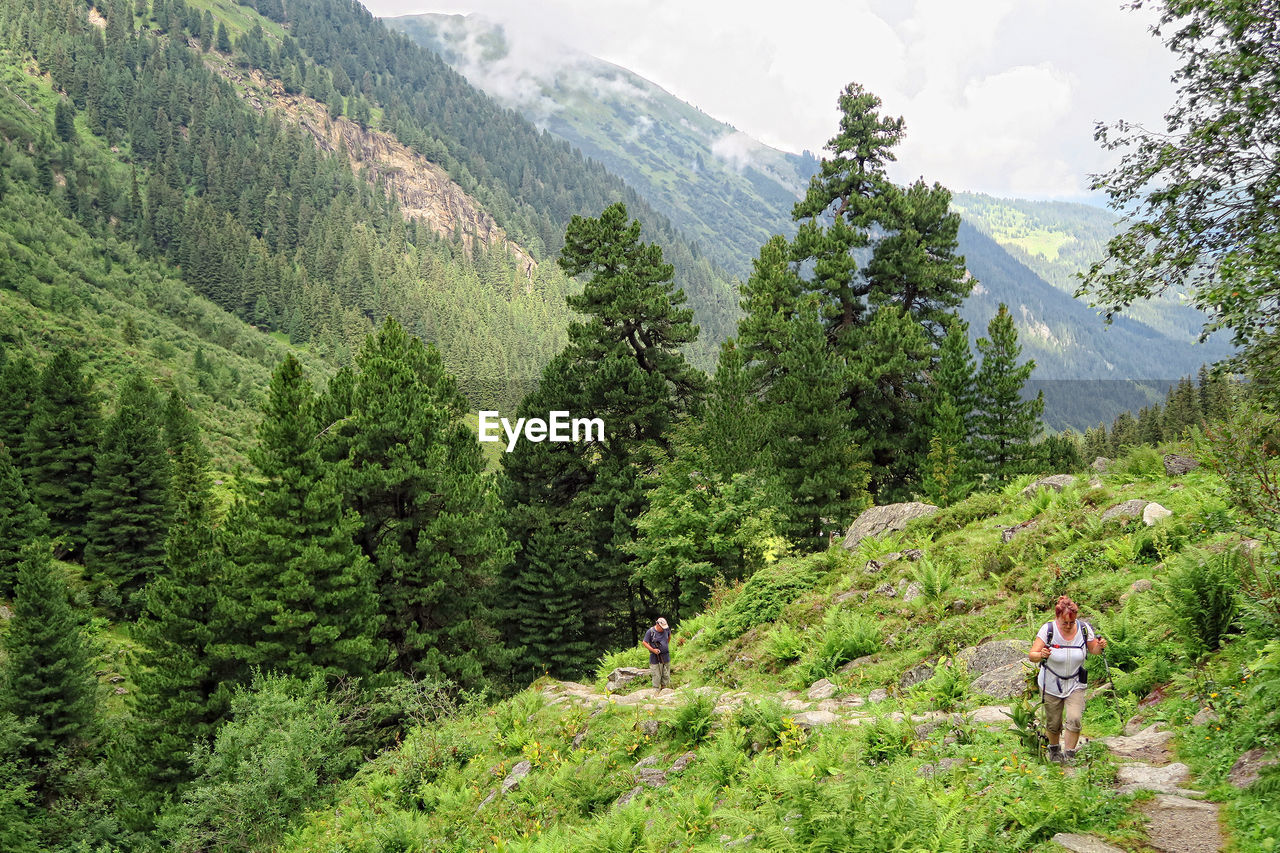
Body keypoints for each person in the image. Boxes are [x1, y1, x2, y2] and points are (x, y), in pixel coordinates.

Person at [1028, 595, 1107, 763]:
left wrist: (1100, 647)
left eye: (1072, 622)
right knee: (1053, 722)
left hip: (1075, 682)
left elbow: (1094, 650)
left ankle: (1070, 754)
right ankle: (1055, 751)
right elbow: (1032, 655)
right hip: (1050, 682)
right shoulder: (1048, 630)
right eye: (1065, 623)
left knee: (1074, 718)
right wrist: (1041, 654)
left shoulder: (1084, 629)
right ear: (1057, 617)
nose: (1069, 626)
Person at [642, 617, 672, 691]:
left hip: (666, 656)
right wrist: (653, 650)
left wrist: (665, 645)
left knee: (666, 674)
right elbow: (644, 642)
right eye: (662, 627)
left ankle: (664, 690)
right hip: (655, 658)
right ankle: (655, 692)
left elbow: (669, 637)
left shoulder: (666, 630)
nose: (664, 629)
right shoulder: (650, 632)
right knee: (656, 675)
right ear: (658, 625)